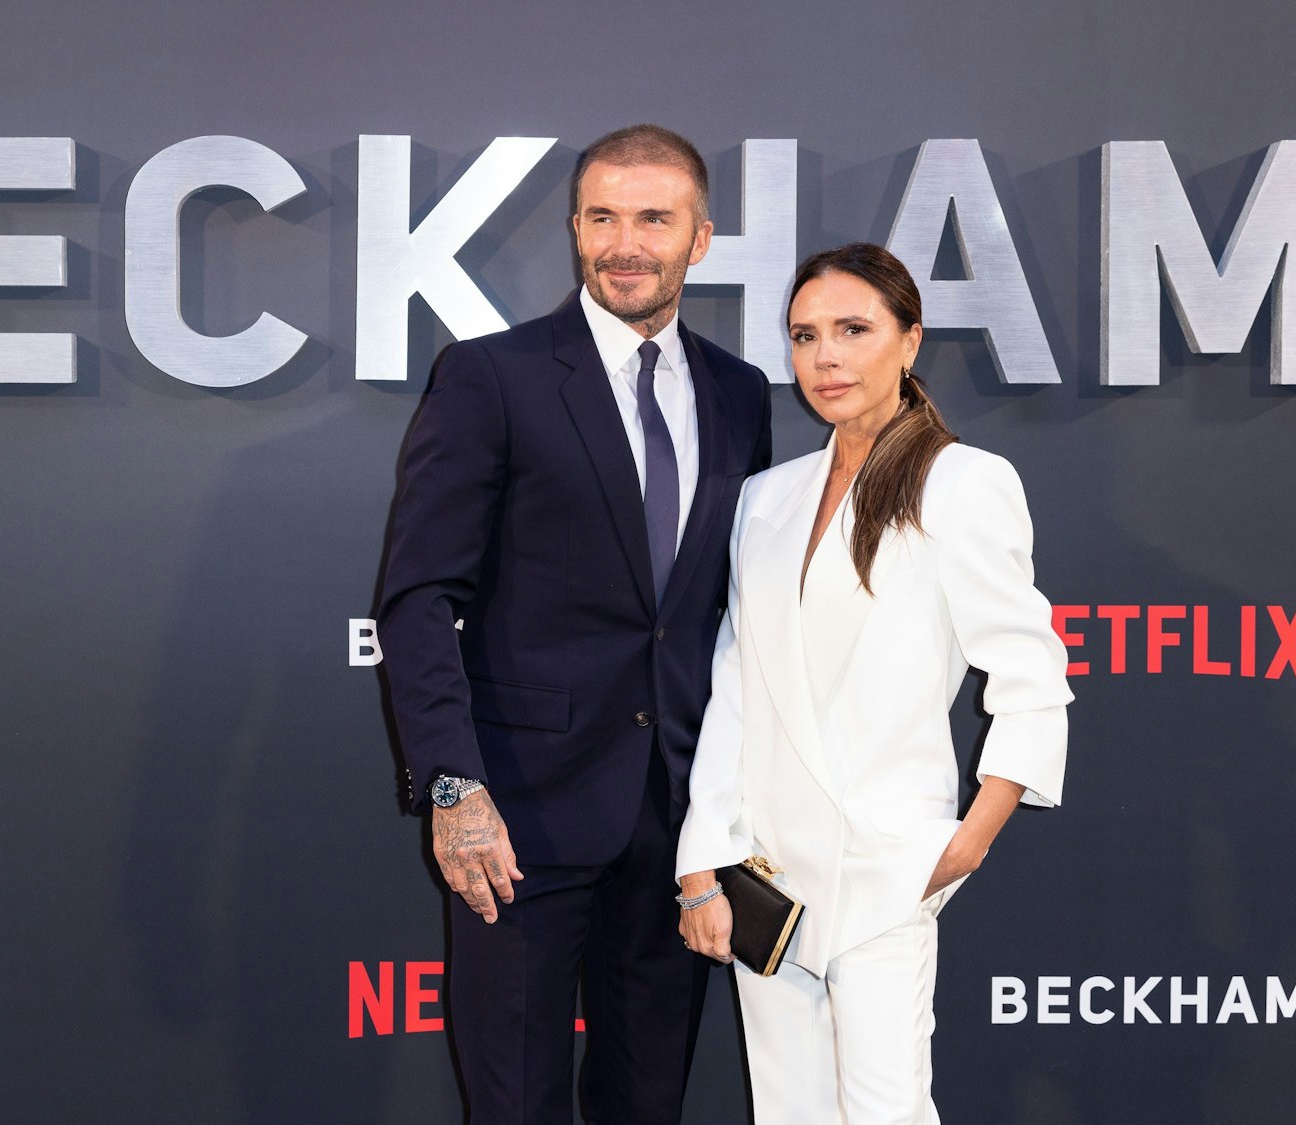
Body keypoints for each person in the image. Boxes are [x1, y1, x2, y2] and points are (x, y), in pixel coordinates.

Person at [376, 125, 773, 1124]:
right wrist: (452, 786)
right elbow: (418, 597)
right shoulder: (491, 376)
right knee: (514, 1106)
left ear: (700, 238)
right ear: (573, 228)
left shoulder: (739, 392)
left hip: (678, 828)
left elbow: (724, 609)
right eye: (600, 217)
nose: (622, 243)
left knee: (648, 1103)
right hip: (517, 815)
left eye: (652, 218)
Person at [673, 243, 1072, 1123]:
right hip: (767, 874)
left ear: (909, 340)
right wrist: (703, 857)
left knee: (888, 1110)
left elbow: (1032, 667)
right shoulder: (767, 497)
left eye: (854, 329)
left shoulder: (963, 482)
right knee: (790, 1112)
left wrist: (971, 836)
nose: (827, 357)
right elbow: (739, 684)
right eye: (805, 334)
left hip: (888, 866)